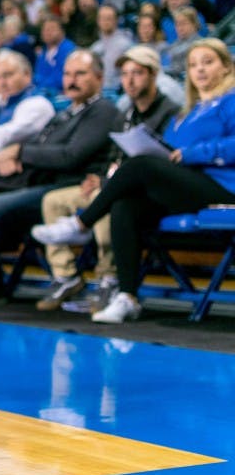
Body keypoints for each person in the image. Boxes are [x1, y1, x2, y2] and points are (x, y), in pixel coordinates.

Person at [32, 38, 235, 322]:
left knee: (140, 165)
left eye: (208, 62)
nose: (199, 70)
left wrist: (191, 153)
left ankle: (81, 223)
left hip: (224, 187)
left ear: (226, 68)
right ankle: (127, 296)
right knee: (126, 204)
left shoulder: (231, 101)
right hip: (188, 186)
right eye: (192, 65)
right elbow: (171, 151)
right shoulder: (186, 113)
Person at [0, 49, 119, 306]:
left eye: (80, 74)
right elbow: (44, 147)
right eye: (67, 74)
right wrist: (16, 158)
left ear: (99, 77)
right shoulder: (66, 112)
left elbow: (71, 156)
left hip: (64, 187)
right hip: (36, 179)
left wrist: (20, 152)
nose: (71, 80)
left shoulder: (102, 109)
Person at [31, 46, 180, 311]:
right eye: (124, 74)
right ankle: (64, 275)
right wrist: (99, 177)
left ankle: (108, 277)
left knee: (109, 198)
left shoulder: (171, 112)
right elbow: (113, 156)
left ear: (154, 75)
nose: (130, 80)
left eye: (137, 73)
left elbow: (170, 159)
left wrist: (106, 183)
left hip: (148, 191)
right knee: (53, 200)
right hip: (114, 183)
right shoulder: (125, 114)